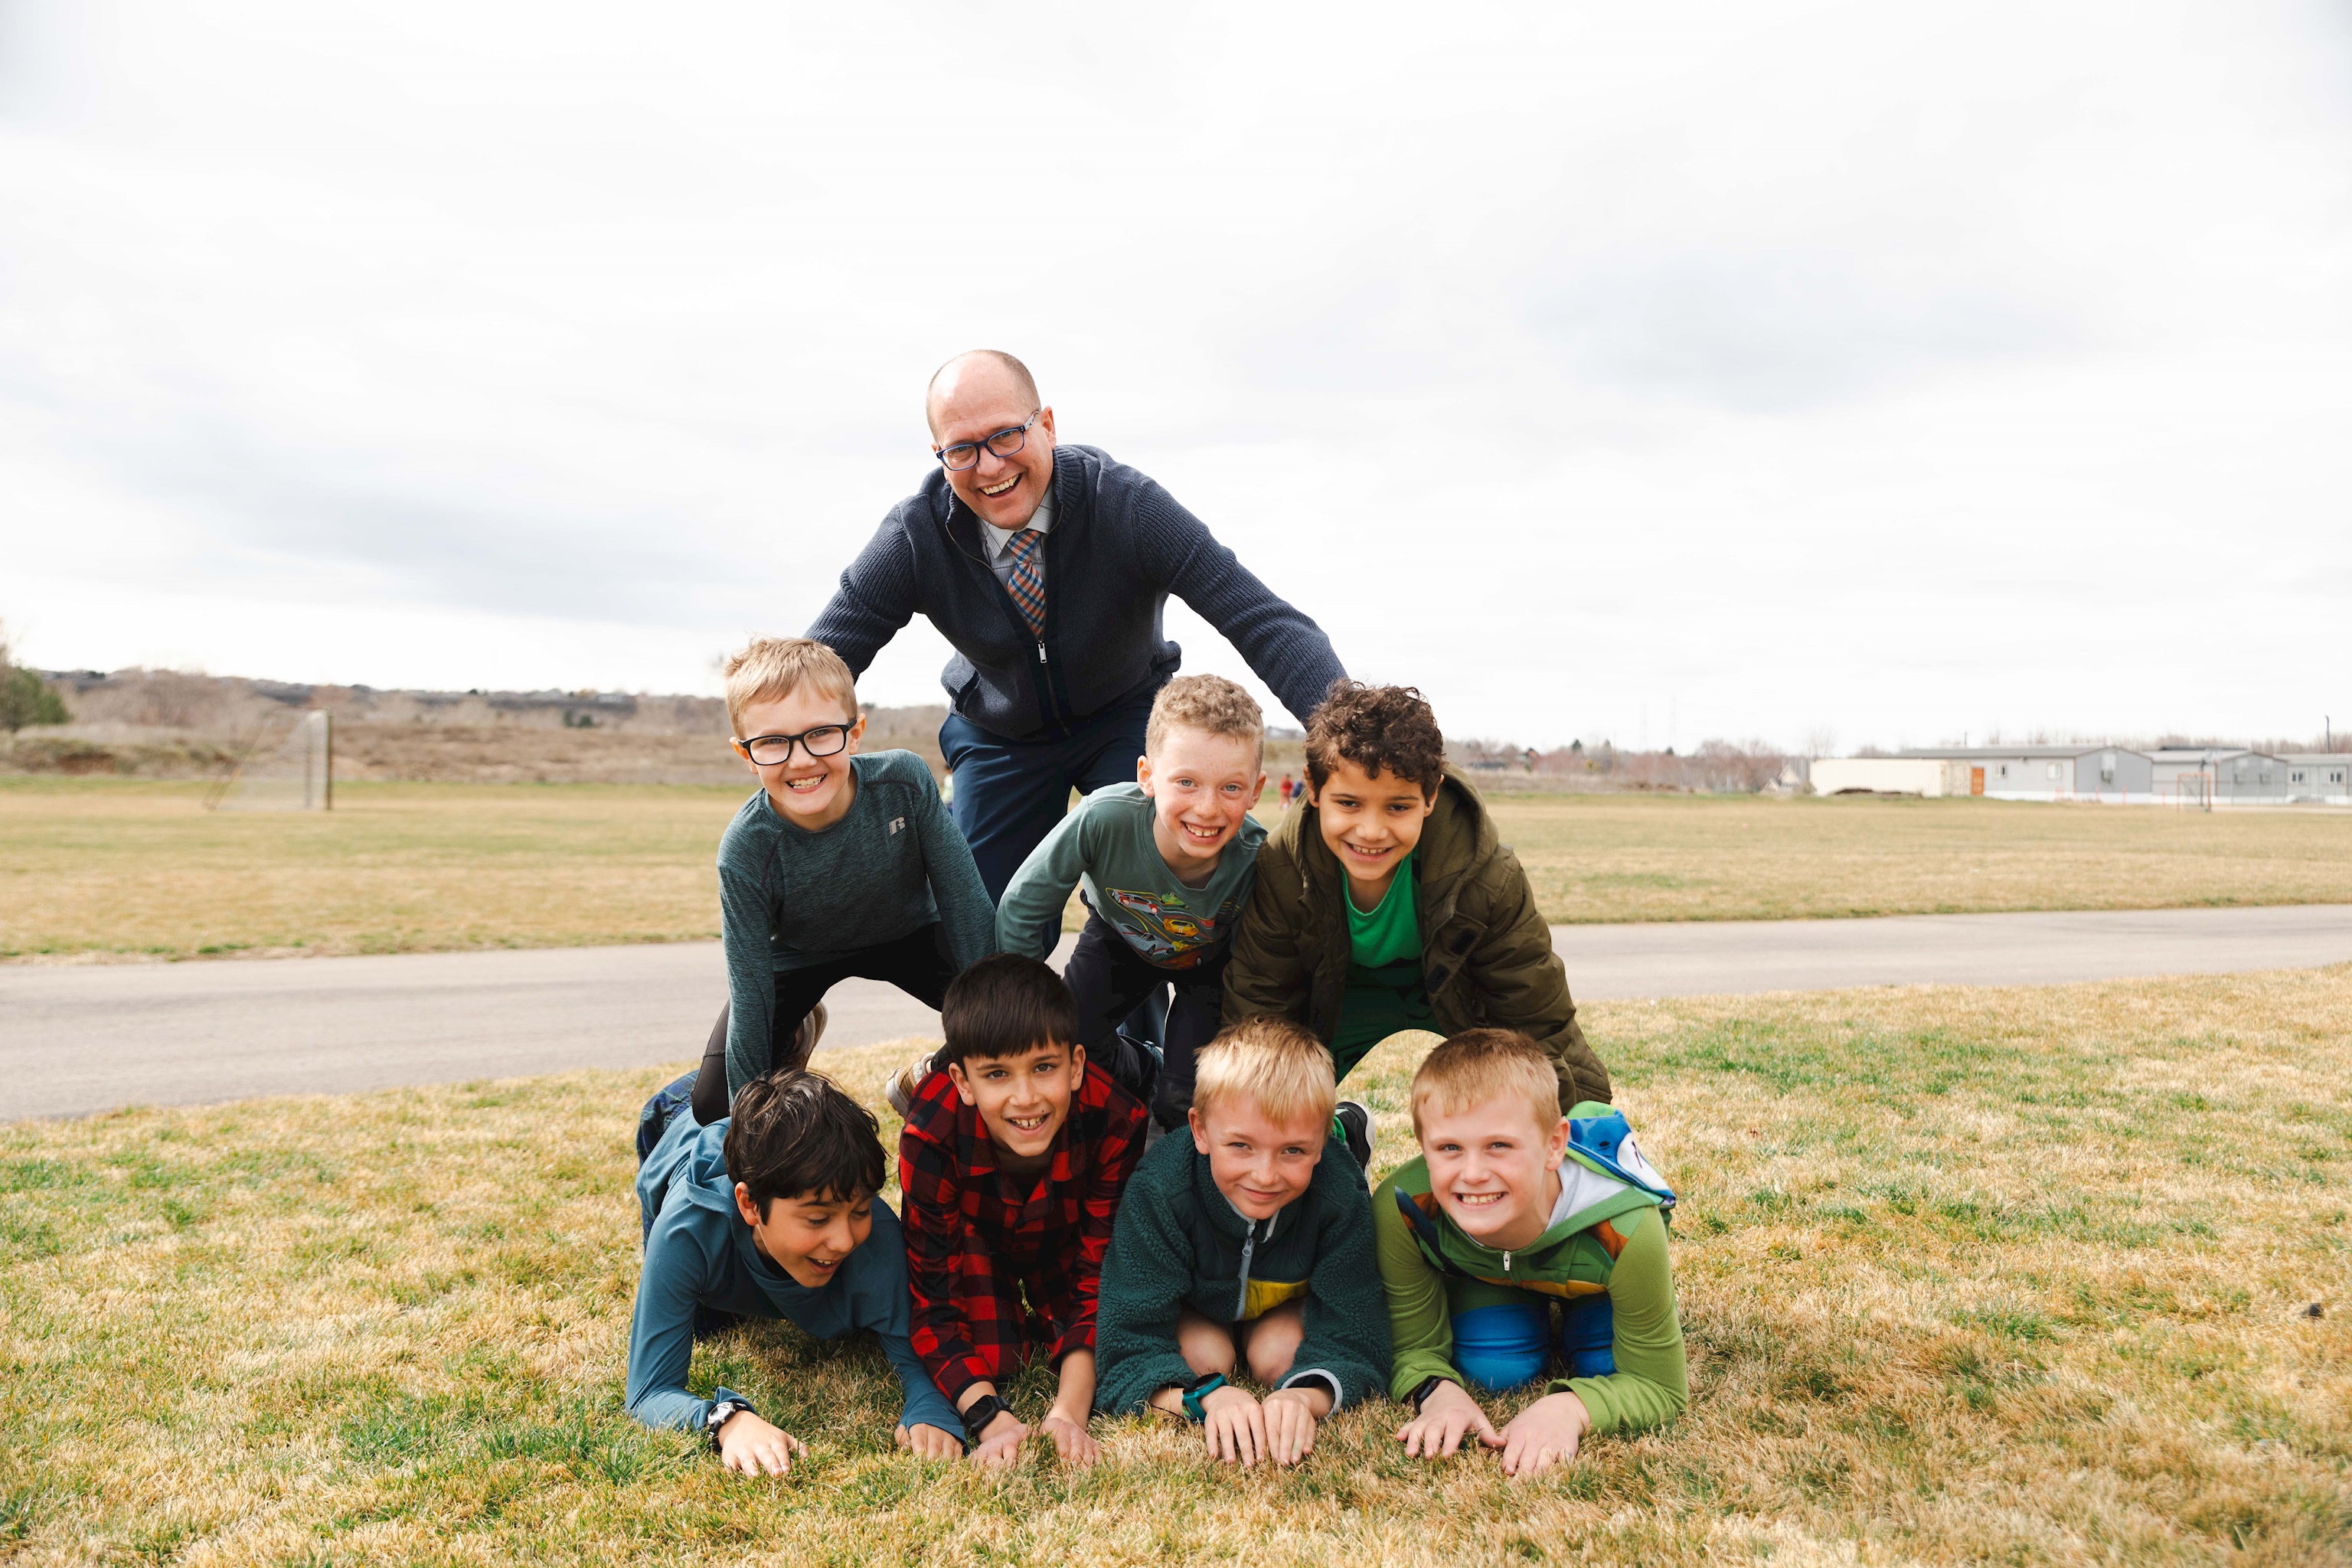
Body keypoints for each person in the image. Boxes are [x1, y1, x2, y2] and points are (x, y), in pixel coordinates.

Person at [805, 349, 1346, 902]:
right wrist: (781, 746)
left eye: (1007, 436)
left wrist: (1349, 738)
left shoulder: (1126, 506)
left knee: (1140, 895)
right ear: (939, 453)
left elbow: (1256, 615)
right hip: (999, 729)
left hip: (1123, 712)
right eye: (963, 449)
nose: (989, 466)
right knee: (982, 921)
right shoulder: (914, 536)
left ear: (1047, 426)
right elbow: (820, 660)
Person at [1223, 680, 1612, 1115]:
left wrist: (1582, 1143)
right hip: (1342, 990)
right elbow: (1259, 1015)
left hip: (1453, 986)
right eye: (1349, 803)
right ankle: (1344, 1133)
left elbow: (1542, 1025)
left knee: (1523, 1098)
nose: (1371, 831)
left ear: (1430, 796)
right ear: (1312, 789)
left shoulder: (1487, 877)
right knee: (1271, 1096)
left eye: (1398, 807)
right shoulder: (1282, 868)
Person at [684, 636, 995, 1125]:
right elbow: (749, 989)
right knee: (713, 1106)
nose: (801, 760)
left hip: (910, 935)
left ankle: (923, 1078)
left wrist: (994, 1015)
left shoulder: (904, 783)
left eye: (821, 733)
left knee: (1014, 1024)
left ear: (855, 732)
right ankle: (796, 1032)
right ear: (745, 753)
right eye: (772, 742)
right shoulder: (746, 847)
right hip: (800, 958)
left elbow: (965, 901)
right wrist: (746, 1115)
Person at [1377, 1029, 1687, 1478]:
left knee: (1605, 1365)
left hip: (1589, 1278)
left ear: (1554, 1145)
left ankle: (1580, 1321)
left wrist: (1569, 1409)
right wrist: (1435, 1389)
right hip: (1489, 1274)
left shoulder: (1627, 1226)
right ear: (1422, 1146)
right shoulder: (1403, 1207)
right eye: (1449, 1148)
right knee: (1493, 1371)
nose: (1474, 1173)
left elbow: (1660, 1387)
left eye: (1499, 1145)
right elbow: (1413, 1346)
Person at [626, 1069, 965, 1472]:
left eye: (859, 1210)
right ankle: (772, 1052)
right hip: (679, 1119)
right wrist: (728, 1420)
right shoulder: (688, 1227)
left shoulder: (877, 1237)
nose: (843, 1240)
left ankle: (781, 1064)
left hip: (761, 1164)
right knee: (708, 1324)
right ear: (750, 1205)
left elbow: (919, 1356)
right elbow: (649, 1392)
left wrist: (930, 1405)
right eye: (818, 1219)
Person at [1091, 1018, 1391, 1468]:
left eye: (1293, 1150)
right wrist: (1202, 1399)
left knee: (1278, 1357)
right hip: (1200, 1306)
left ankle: (1348, 1133)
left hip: (1280, 1303)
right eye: (1241, 1146)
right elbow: (1123, 1344)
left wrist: (1306, 1398)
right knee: (1206, 1359)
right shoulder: (1159, 1191)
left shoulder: (1339, 1193)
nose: (1265, 1175)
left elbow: (1360, 1334)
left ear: (1322, 1139)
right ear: (1200, 1130)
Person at [897, 953, 1148, 1471]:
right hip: (977, 1236)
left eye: (1044, 1067)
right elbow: (934, 1307)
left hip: (1065, 1235)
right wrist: (992, 1418)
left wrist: (1069, 1415)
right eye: (996, 1074)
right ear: (964, 1083)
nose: (1026, 1097)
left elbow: (1100, 1280)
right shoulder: (929, 1133)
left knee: (1116, 1340)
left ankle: (1149, 1055)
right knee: (993, 1358)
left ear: (1076, 1066)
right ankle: (922, 1075)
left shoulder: (1117, 1118)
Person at [991, 674, 1267, 1129]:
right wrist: (1022, 1004)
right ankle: (1144, 1069)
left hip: (1212, 964)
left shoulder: (1258, 859)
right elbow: (1024, 906)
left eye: (1231, 788)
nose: (1207, 808)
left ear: (1256, 791)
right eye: (1186, 782)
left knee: (1186, 1100)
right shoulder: (1103, 819)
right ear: (1148, 776)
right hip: (1118, 939)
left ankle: (1174, 1102)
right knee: (1065, 1049)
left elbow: (1259, 971)